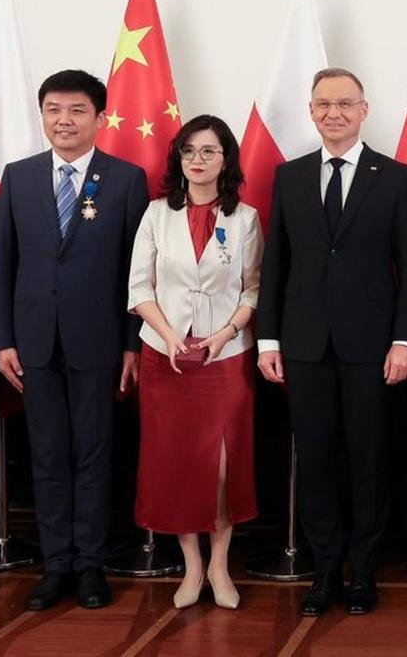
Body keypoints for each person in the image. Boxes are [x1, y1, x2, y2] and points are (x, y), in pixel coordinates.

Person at [256, 68, 407, 616]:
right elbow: (275, 265)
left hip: (372, 348)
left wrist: (405, 341)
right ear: (311, 111)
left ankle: (365, 571)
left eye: (345, 104)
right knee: (318, 459)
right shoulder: (290, 176)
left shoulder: (396, 178)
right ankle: (325, 571)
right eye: (324, 104)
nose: (334, 113)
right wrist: (268, 340)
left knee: (368, 459)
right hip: (304, 346)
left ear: (364, 109)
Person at [0, 69, 150, 611]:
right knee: (48, 454)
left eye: (78, 110)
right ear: (42, 116)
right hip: (33, 343)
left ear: (99, 118)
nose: (65, 120)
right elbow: (3, 264)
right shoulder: (19, 176)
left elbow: (137, 271)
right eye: (54, 109)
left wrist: (133, 344)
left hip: (100, 342)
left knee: (95, 453)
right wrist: (3, 338)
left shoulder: (127, 179)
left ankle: (89, 566)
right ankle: (55, 565)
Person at [127, 114, 262, 610]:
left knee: (221, 466)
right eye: (189, 151)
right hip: (167, 358)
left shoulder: (245, 218)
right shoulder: (156, 213)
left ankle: (222, 566)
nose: (198, 161)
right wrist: (169, 338)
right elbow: (139, 286)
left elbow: (252, 289)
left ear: (225, 160)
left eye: (209, 151)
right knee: (178, 462)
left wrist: (223, 335)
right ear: (177, 160)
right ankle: (192, 568)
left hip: (225, 358)